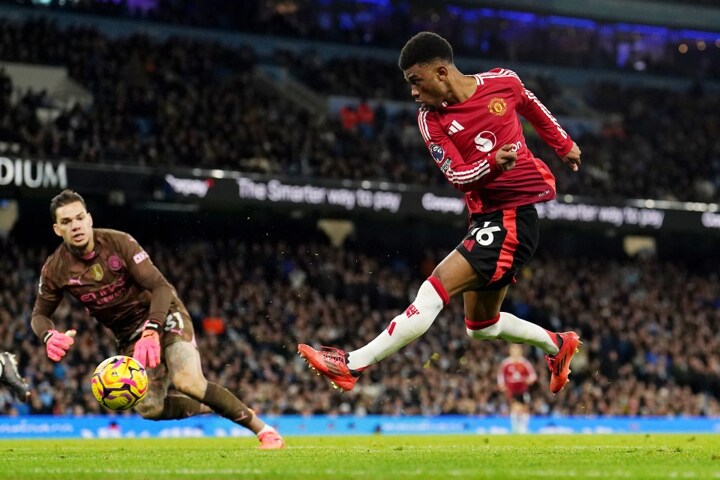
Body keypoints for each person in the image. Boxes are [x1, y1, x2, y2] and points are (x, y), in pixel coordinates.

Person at [298, 31, 582, 396]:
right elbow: (458, 177)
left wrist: (563, 143)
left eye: (416, 81)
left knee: (433, 290)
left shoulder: (502, 82)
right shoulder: (430, 119)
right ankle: (558, 345)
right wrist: (493, 163)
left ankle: (352, 364)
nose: (413, 92)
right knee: (481, 326)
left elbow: (529, 103)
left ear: (442, 73)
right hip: (487, 219)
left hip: (512, 218)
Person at [31, 190, 284, 449]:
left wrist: (153, 328)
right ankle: (216, 405)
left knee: (188, 382)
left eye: (79, 218)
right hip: (129, 335)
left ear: (89, 219)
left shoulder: (119, 243)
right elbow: (40, 315)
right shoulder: (55, 269)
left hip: (164, 313)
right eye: (66, 222)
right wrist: (48, 335)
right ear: (57, 229)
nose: (75, 226)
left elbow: (160, 287)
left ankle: (265, 432)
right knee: (149, 408)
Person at [498, 344, 536, 434]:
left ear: (520, 351)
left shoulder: (524, 363)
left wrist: (529, 380)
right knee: (514, 407)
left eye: (517, 350)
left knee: (524, 408)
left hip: (523, 389)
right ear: (510, 351)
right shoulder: (506, 363)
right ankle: (515, 427)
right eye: (513, 350)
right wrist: (501, 384)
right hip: (511, 389)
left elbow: (533, 375)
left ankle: (523, 428)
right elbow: (500, 375)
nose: (515, 352)